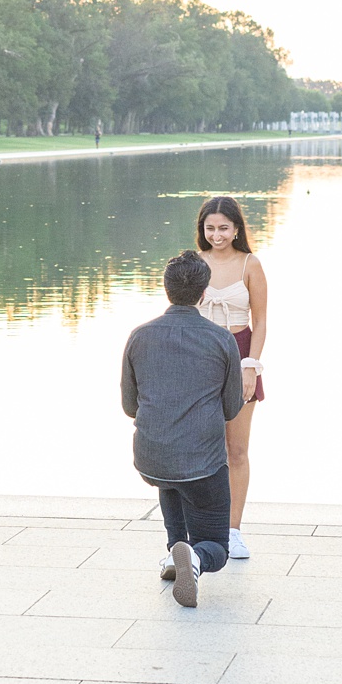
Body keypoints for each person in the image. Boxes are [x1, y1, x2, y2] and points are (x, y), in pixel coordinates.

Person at [119, 251, 244, 605]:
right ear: (204, 293)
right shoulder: (222, 340)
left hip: (151, 457)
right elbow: (232, 407)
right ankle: (197, 560)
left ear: (166, 288)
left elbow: (130, 406)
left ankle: (177, 553)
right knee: (217, 545)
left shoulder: (139, 335)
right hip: (202, 462)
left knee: (169, 472)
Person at [191, 195, 269, 559]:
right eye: (210, 228)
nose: (217, 235)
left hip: (239, 354)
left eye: (224, 228)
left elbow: (261, 321)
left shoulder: (250, 264)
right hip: (200, 355)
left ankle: (232, 530)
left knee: (235, 449)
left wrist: (252, 364)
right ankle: (201, 529)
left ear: (237, 228)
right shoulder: (193, 263)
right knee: (200, 450)